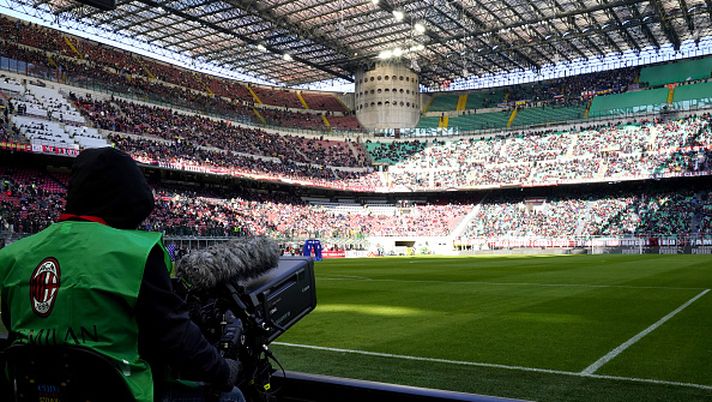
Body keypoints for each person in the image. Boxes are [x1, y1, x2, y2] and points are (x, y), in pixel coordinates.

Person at [0, 147, 244, 402]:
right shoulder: (135, 253)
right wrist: (223, 371)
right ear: (127, 201)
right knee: (232, 396)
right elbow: (175, 336)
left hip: (33, 391)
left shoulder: (12, 256)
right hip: (116, 392)